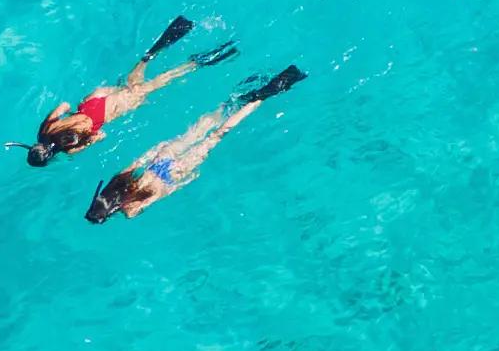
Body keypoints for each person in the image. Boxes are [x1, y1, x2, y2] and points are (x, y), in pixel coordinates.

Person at [88, 67, 305, 221]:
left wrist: (187, 180)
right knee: (203, 126)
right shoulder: (117, 181)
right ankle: (233, 102)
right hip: (161, 159)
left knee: (218, 135)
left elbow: (164, 193)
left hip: (174, 172)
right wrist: (158, 149)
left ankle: (264, 95)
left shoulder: (130, 210)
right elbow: (138, 161)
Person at [25, 18, 237, 167]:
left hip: (110, 111)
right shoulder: (45, 129)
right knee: (135, 76)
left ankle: (199, 62)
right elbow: (64, 106)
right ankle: (172, 36)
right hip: (94, 101)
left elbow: (100, 135)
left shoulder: (70, 149)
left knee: (161, 81)